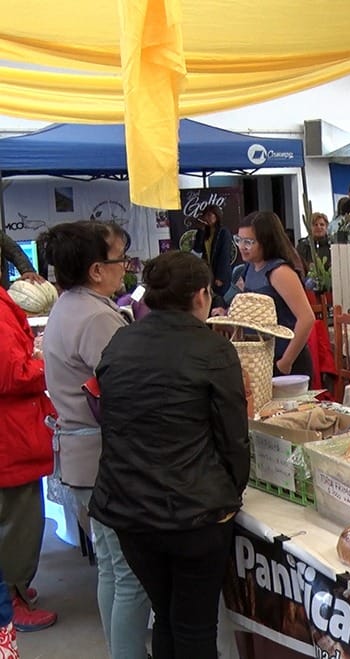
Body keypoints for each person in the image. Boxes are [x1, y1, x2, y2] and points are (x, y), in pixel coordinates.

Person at [91, 251, 249, 659]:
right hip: (192, 515)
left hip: (129, 510)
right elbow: (234, 439)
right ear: (201, 295)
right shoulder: (213, 349)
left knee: (166, 616)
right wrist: (229, 494)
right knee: (195, 627)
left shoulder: (120, 341)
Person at [40, 221, 150, 657]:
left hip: (82, 458)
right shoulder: (95, 317)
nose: (125, 267)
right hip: (105, 457)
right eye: (119, 258)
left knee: (110, 566)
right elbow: (129, 387)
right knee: (130, 575)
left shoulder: (69, 306)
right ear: (95, 270)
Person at [0, 283, 57, 632]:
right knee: (18, 524)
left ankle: (14, 589)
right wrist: (42, 365)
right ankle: (11, 599)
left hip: (12, 435)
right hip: (10, 437)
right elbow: (11, 374)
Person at [235, 211, 315, 377]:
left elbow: (306, 318)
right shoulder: (249, 267)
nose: (242, 246)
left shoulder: (280, 272)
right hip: (260, 358)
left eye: (249, 242)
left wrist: (286, 361)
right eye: (239, 240)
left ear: (266, 242)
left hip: (285, 359)